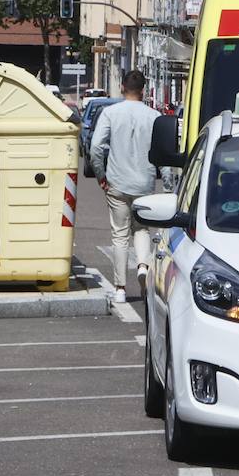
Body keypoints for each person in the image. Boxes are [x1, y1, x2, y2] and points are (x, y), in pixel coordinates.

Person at [90, 69, 158, 303]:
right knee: (141, 229)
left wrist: (101, 174)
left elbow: (96, 147)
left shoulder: (110, 113)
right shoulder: (153, 116)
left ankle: (120, 288)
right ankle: (142, 265)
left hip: (117, 182)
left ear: (121, 87)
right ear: (143, 91)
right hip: (144, 183)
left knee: (119, 235)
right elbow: (163, 152)